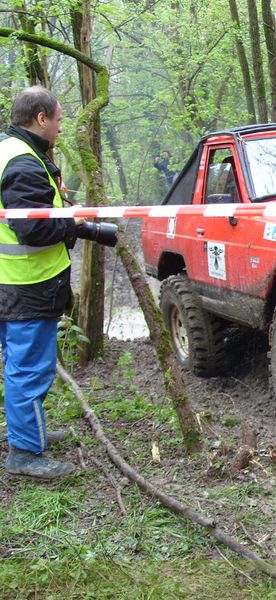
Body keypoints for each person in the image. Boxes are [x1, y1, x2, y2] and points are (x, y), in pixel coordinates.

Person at [0, 86, 84, 479]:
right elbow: (31, 230)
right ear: (41, 119)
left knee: (21, 365)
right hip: (26, 285)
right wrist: (74, 222)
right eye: (59, 119)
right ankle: (24, 453)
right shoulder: (24, 163)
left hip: (11, 283)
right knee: (30, 368)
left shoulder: (10, 151)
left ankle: (28, 432)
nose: (61, 128)